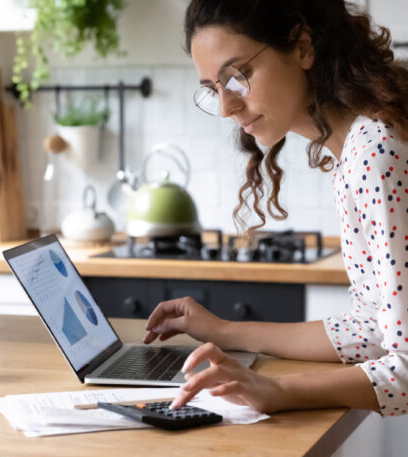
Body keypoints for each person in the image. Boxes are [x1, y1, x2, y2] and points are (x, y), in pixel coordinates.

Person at [143, 0, 408, 416]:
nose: (227, 108)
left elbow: (406, 369)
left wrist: (277, 390)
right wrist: (224, 331)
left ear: (302, 46)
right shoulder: (353, 150)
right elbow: (372, 329)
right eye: (214, 89)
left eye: (237, 76)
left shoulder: (376, 150)